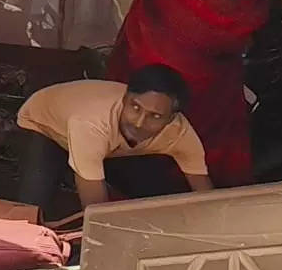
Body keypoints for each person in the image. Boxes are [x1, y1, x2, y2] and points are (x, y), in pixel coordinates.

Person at [107, 0, 268, 188]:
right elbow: (251, 12)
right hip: (197, 89)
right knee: (193, 142)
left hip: (142, 62)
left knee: (133, 128)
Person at [17, 65, 213, 211]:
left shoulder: (180, 132)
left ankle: (82, 166)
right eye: (135, 107)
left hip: (106, 145)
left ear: (172, 119)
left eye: (155, 116)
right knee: (31, 210)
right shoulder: (91, 123)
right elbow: (96, 212)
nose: (139, 123)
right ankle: (77, 168)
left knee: (158, 193)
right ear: (124, 98)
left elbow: (206, 197)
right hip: (43, 123)